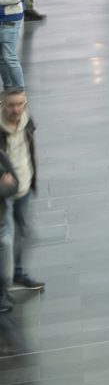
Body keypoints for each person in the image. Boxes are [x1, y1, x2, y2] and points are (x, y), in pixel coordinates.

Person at [0, 86, 38, 307]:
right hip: (3, 194)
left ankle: (17, 272)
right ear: (3, 104)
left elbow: (29, 152)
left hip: (23, 186)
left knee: (24, 231)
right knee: (5, 241)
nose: (16, 109)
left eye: (20, 104)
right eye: (11, 104)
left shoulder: (27, 122)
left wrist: (31, 179)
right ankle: (3, 287)